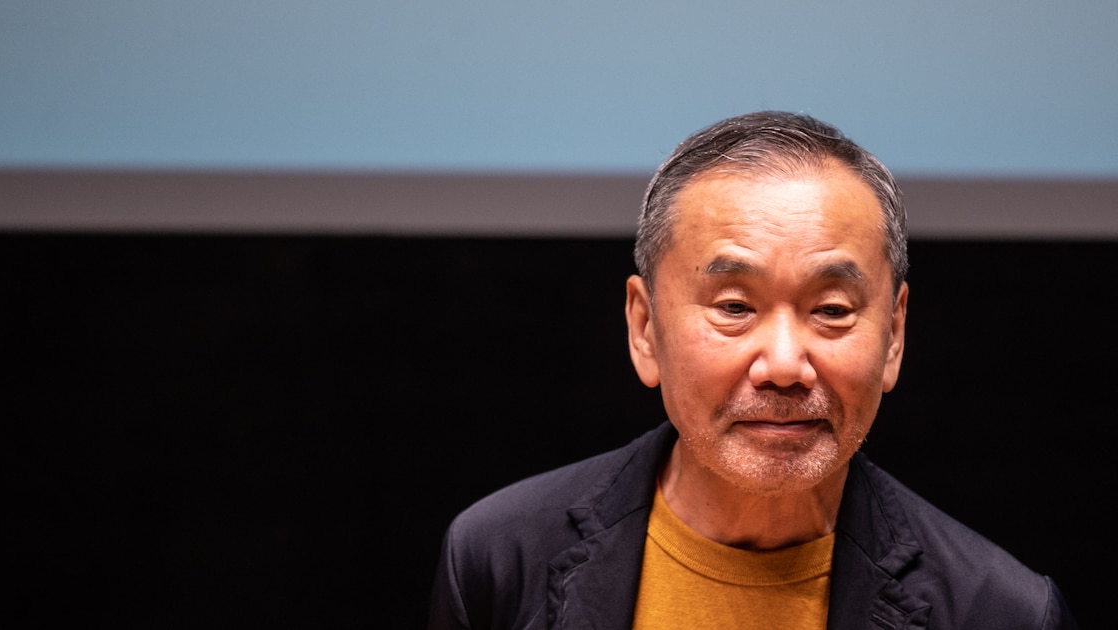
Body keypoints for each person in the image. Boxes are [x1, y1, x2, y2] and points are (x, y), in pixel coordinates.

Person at [427, 111, 1079, 629]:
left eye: (831, 309)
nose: (786, 366)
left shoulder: (1000, 611)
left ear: (894, 336)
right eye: (736, 307)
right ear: (645, 327)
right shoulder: (498, 560)